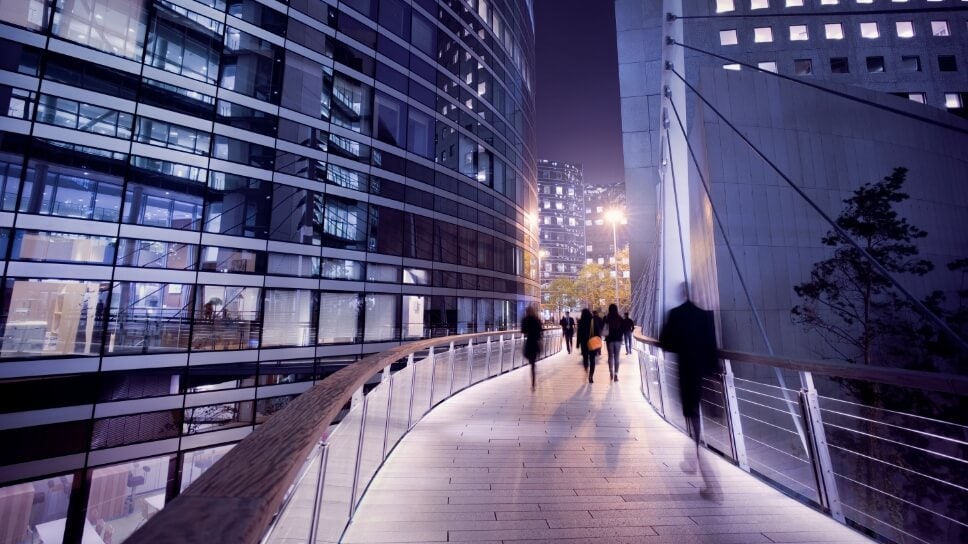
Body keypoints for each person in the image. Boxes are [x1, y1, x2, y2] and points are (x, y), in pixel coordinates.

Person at [659, 290, 719, 494]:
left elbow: (665, 342)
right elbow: (712, 345)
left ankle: (695, 452)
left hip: (686, 371)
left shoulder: (676, 314)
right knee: (698, 414)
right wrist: (714, 371)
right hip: (704, 372)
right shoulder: (703, 315)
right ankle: (696, 449)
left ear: (681, 294)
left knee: (691, 413)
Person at [576, 308, 603, 383]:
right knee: (592, 360)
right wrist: (599, 343)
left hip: (584, 343)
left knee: (585, 358)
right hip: (592, 343)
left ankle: (586, 370)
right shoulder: (593, 320)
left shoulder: (580, 322)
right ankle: (591, 375)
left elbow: (579, 333)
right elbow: (597, 332)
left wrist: (578, 343)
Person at [521, 305, 543, 391]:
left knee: (532, 362)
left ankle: (533, 382)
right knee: (533, 363)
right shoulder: (536, 320)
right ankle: (533, 382)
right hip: (535, 343)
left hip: (529, 343)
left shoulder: (525, 320)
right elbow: (540, 331)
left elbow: (523, 331)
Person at [603, 304, 625, 382]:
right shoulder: (620, 318)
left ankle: (611, 372)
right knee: (616, 357)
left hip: (609, 340)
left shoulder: (606, 318)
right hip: (618, 340)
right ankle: (616, 374)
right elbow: (623, 329)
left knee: (610, 357)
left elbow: (604, 328)